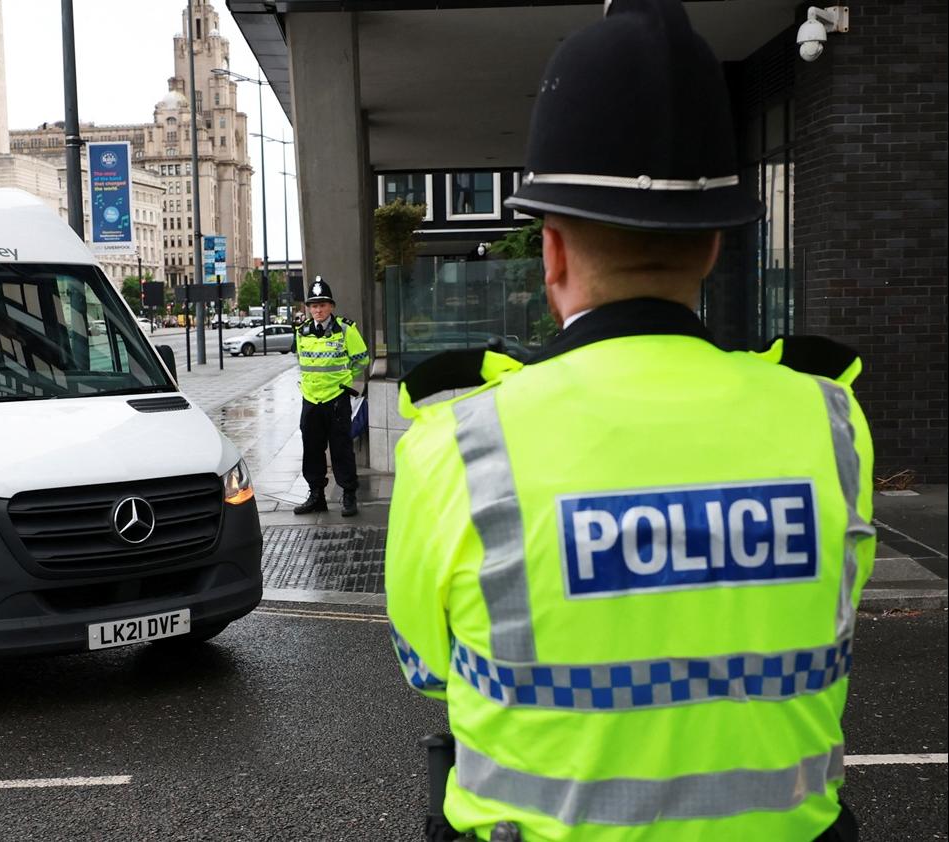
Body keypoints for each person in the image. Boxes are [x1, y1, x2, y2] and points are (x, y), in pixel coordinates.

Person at [384, 1, 873, 840]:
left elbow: (430, 669)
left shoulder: (458, 446)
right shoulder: (831, 422)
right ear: (715, 245)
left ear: (553, 251)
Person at [293, 277, 369, 517]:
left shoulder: (346, 329)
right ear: (309, 308)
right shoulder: (301, 331)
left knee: (341, 449)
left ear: (331, 307)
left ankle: (348, 495)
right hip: (311, 400)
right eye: (314, 305)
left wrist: (344, 381)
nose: (318, 310)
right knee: (312, 450)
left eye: (322, 305)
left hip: (336, 399)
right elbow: (302, 363)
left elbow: (361, 361)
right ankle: (316, 496)